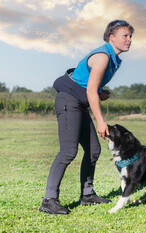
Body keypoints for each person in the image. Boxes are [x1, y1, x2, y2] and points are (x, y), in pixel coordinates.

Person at [39, 20, 134, 214]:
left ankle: (87, 195)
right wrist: (100, 120)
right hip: (69, 101)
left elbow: (90, 86)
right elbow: (89, 89)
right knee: (68, 151)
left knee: (93, 150)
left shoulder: (113, 59)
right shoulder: (102, 56)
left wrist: (100, 92)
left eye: (131, 36)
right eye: (125, 35)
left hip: (79, 103)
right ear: (111, 37)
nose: (129, 40)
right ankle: (49, 200)